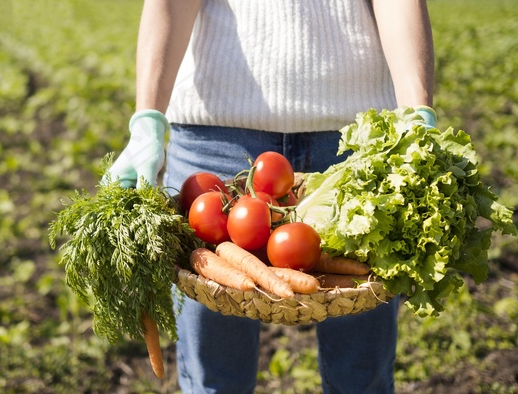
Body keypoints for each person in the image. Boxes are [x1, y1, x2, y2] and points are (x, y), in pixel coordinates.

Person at [105, 1, 436, 393]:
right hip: (216, 144)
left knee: (362, 378)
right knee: (214, 379)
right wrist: (147, 118)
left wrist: (416, 112)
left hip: (353, 139)